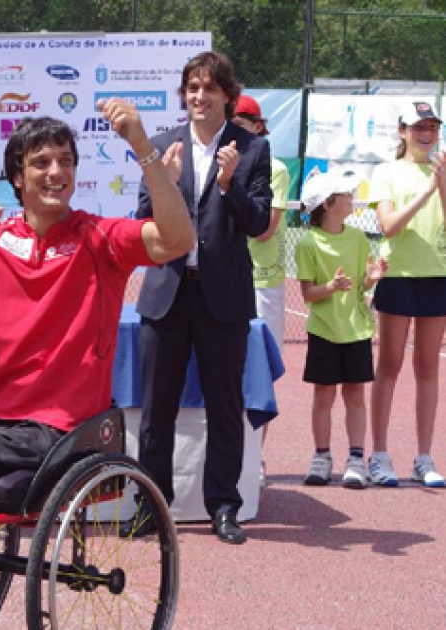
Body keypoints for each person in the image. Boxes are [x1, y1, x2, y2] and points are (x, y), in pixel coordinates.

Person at [0, 99, 193, 630]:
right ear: (17, 177)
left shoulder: (99, 239)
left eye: (65, 161)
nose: (56, 172)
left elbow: (177, 239)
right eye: (41, 162)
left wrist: (142, 145)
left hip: (58, 427)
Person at [135, 51, 272, 545]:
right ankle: (152, 506)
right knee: (156, 410)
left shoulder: (252, 149)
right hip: (167, 294)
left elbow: (258, 223)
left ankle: (224, 506)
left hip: (224, 299)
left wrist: (230, 185)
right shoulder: (162, 145)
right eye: (192, 87)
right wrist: (166, 185)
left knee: (224, 405)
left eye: (209, 88)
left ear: (227, 97)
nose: (199, 96)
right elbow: (143, 216)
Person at [369, 101, 446, 488]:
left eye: (432, 125)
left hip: (438, 276)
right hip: (398, 276)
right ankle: (380, 455)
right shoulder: (387, 174)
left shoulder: (443, 170)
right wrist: (428, 191)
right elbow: (388, 226)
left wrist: (442, 186)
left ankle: (425, 457)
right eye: (418, 127)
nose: (426, 133)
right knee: (391, 364)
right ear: (403, 131)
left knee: (429, 367)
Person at [295, 170, 387, 488]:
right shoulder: (308, 243)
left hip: (356, 330)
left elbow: (361, 285)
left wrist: (372, 278)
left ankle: (356, 459)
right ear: (330, 203)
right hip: (323, 330)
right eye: (346, 195)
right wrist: (332, 287)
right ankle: (321, 457)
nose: (352, 198)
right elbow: (308, 295)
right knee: (324, 395)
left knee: (355, 394)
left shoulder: (359, 239)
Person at [231, 93, 291, 487]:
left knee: (259, 372)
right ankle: (228, 454)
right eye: (231, 119)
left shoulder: (277, 167)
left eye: (244, 120)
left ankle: (257, 458)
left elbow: (264, 227)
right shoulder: (215, 162)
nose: (237, 126)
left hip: (263, 283)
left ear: (258, 125)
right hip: (226, 278)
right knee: (224, 371)